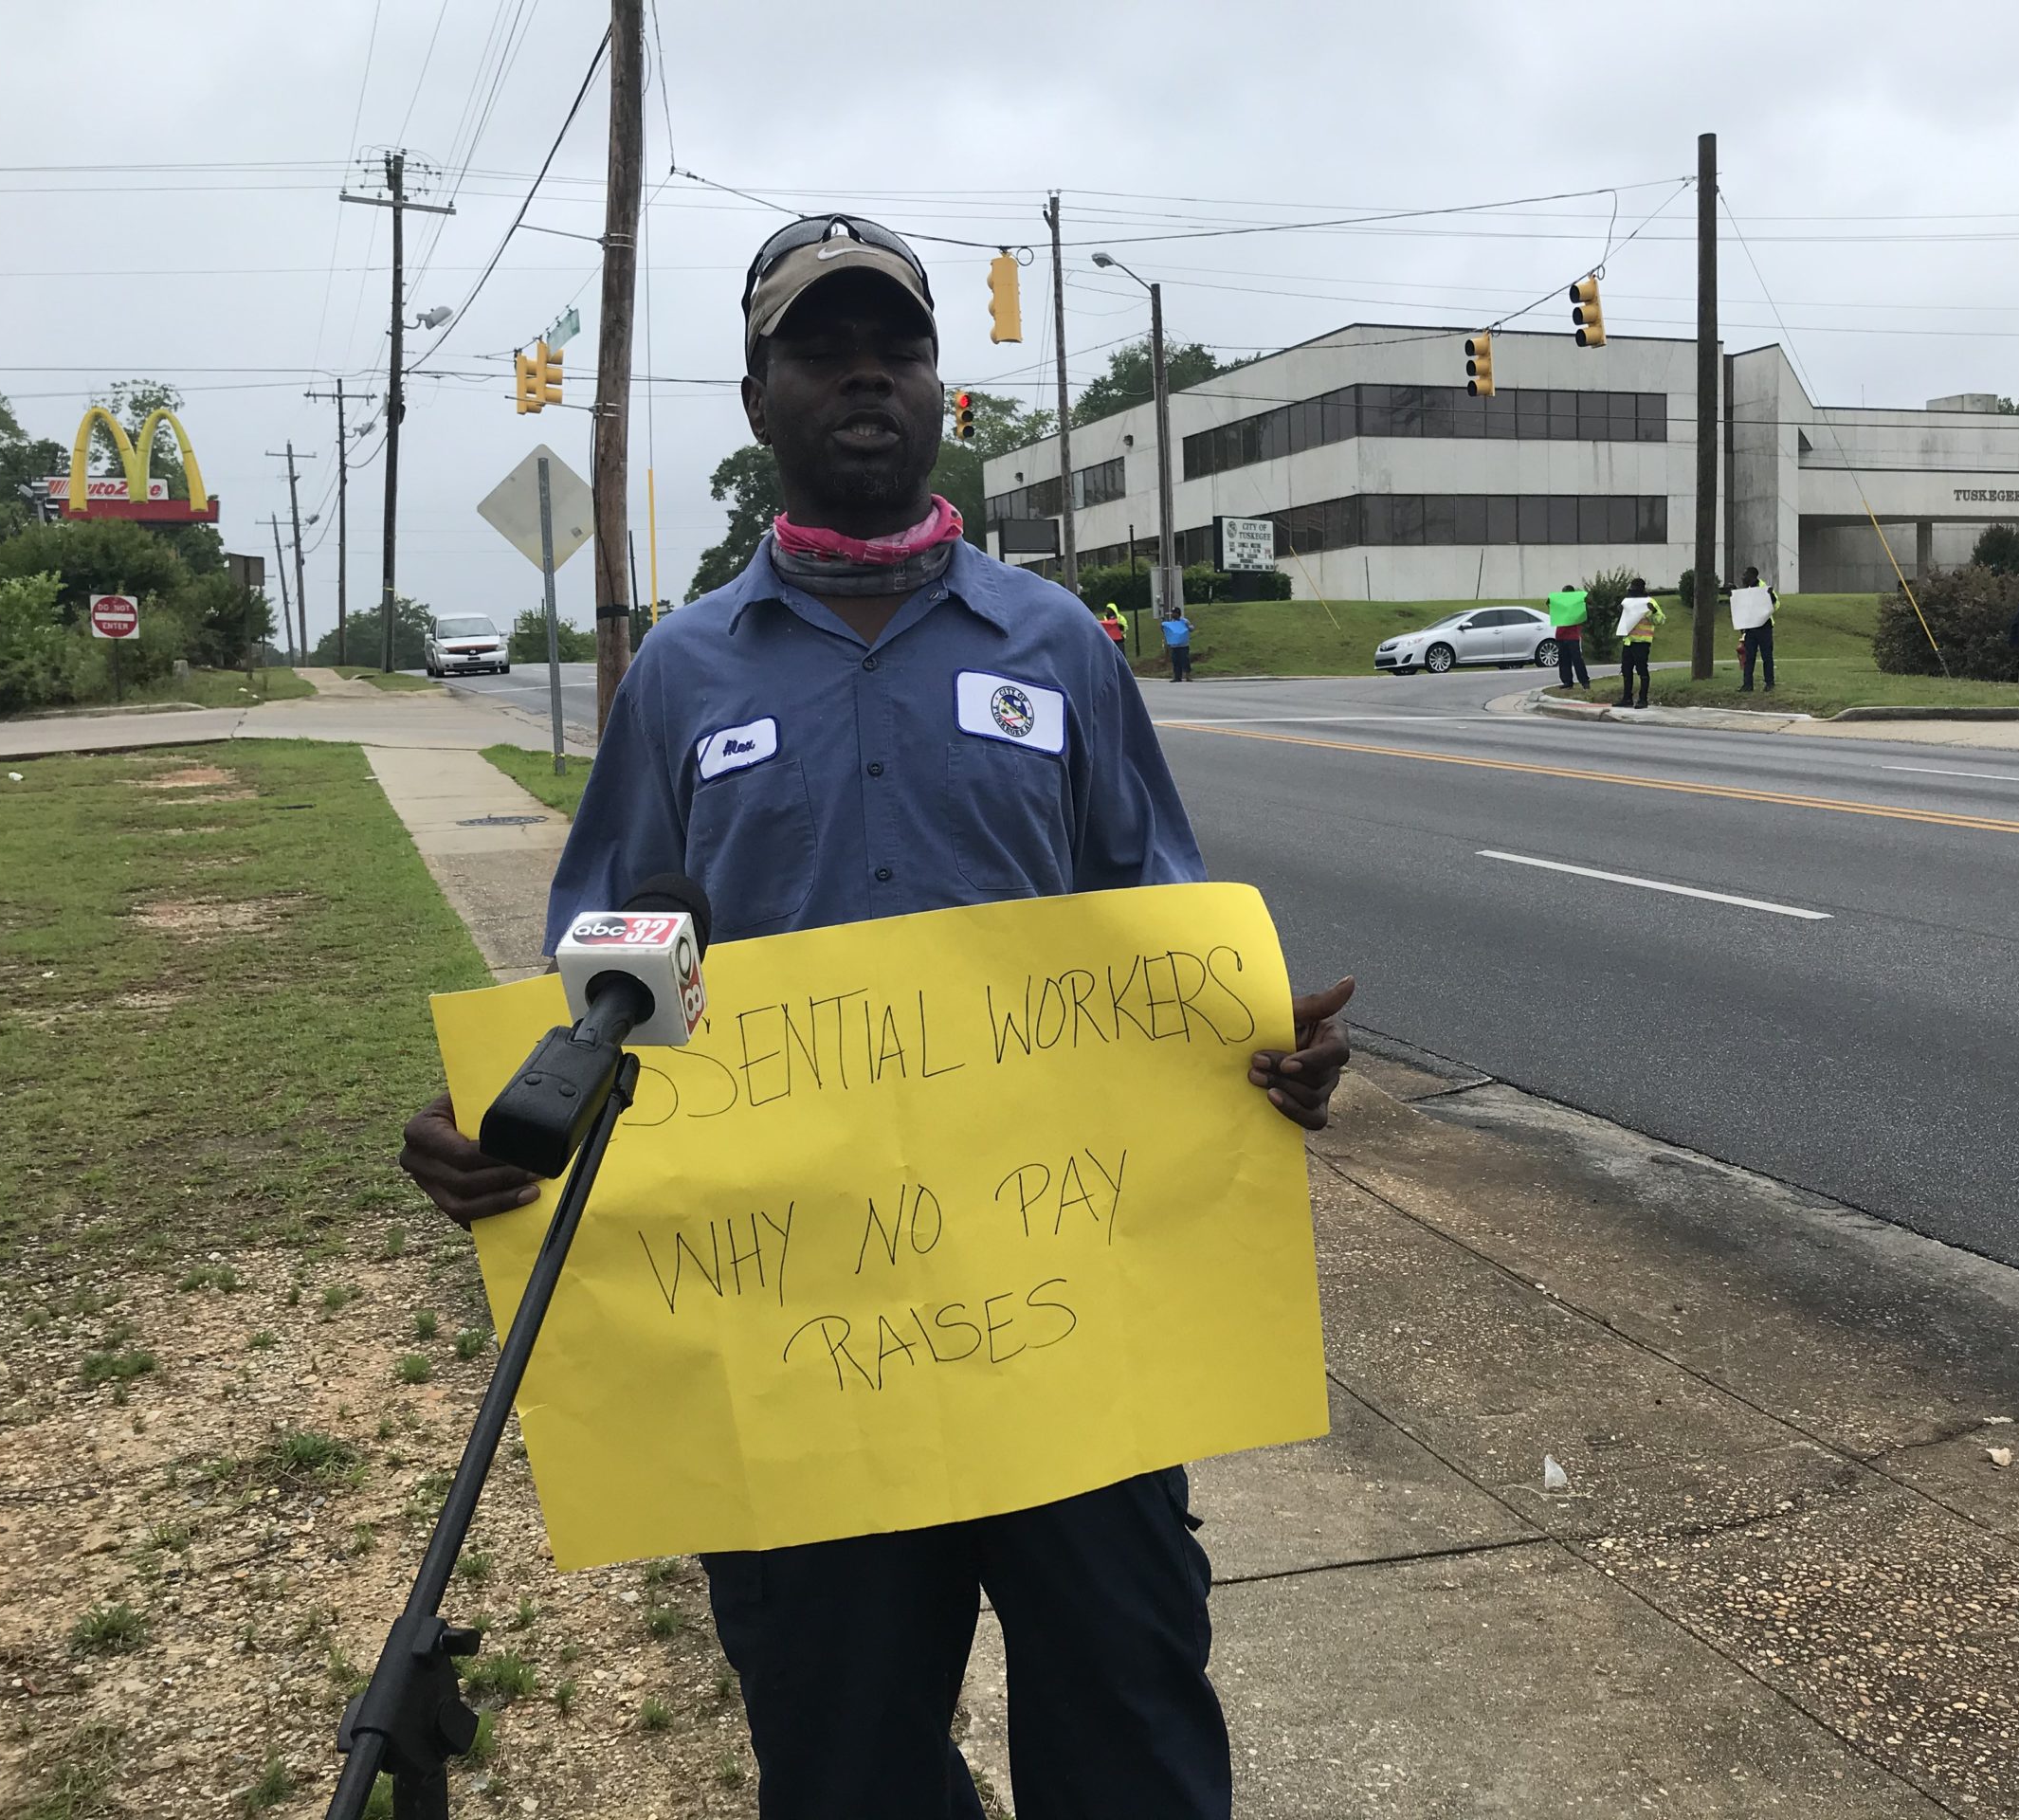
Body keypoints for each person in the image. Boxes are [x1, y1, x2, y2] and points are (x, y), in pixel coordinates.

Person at [394, 213, 1355, 1820]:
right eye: (822, 348)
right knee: (847, 1772)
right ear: (760, 394)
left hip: (1073, 1340)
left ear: (937, 391)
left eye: (897, 347)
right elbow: (611, 963)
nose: (865, 375)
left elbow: (1161, 934)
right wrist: (512, 1112)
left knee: (1133, 1751)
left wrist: (1268, 1062)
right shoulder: (685, 681)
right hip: (801, 1361)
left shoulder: (1058, 649)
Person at [1736, 565, 1779, 693]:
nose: (1743, 577)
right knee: (1749, 657)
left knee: (1767, 656)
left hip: (1763, 627)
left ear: (1752, 576)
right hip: (1750, 628)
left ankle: (1769, 683)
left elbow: (1776, 604)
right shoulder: (1747, 590)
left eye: (1745, 575)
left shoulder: (1763, 587)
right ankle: (1747, 685)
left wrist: (1770, 596)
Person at [1618, 580, 1662, 708]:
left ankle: (1643, 699)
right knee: (1626, 670)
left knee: (1642, 670)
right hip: (1628, 641)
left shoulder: (1649, 602)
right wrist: (1620, 610)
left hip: (1642, 641)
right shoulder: (1627, 601)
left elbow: (1660, 620)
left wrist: (1653, 611)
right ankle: (1627, 699)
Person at [1544, 580, 1590, 689]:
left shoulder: (1577, 604)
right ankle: (1570, 681)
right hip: (1563, 635)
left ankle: (1582, 681)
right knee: (1565, 660)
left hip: (1571, 636)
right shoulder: (1562, 604)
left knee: (1575, 660)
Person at [1160, 602, 1193, 682]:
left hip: (1183, 645)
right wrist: (1163, 627)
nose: (1172, 615)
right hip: (1174, 646)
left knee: (1185, 661)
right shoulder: (1170, 623)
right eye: (1172, 613)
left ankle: (1188, 676)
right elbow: (1166, 631)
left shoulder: (1184, 621)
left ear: (1178, 614)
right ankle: (1177, 677)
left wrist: (1189, 627)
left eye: (1174, 613)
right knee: (1176, 661)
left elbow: (1191, 628)